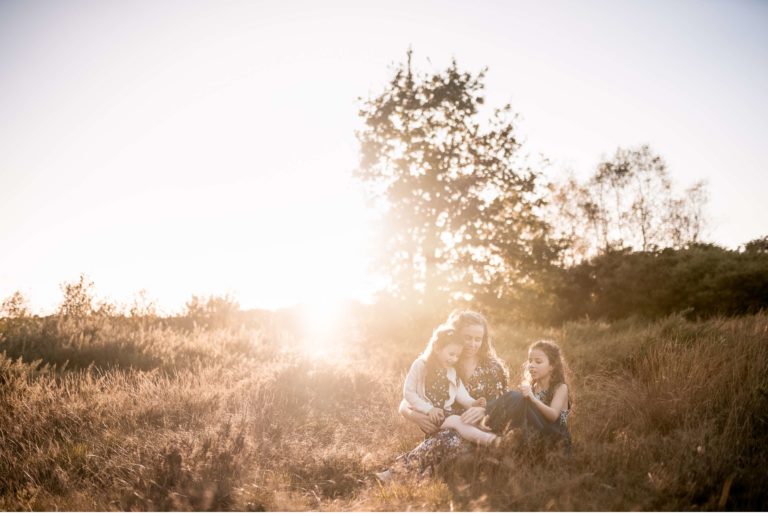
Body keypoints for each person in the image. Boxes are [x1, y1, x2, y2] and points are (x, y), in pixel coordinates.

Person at [394, 310, 509, 476]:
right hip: (445, 425)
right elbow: (408, 398)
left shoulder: (492, 368)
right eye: (467, 337)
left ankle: (404, 472)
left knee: (454, 442)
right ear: (455, 336)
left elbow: (502, 405)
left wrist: (483, 408)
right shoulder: (444, 359)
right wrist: (415, 416)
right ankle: (404, 472)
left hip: (480, 425)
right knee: (450, 438)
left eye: (478, 339)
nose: (472, 343)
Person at [402, 324, 498, 446]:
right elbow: (408, 393)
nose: (454, 359)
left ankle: (498, 436)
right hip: (430, 416)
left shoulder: (451, 371)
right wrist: (429, 409)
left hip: (445, 413)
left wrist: (473, 403)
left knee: (472, 421)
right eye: (451, 354)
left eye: (457, 356)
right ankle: (492, 441)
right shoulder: (420, 365)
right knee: (458, 421)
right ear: (437, 348)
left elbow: (461, 394)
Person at [465, 340, 572, 448]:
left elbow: (553, 416)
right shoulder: (533, 386)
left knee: (515, 396)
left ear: (552, 366)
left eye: (538, 362)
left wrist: (532, 399)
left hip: (556, 437)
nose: (531, 365)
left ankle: (486, 413)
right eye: (530, 361)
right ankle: (495, 433)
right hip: (537, 432)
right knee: (517, 401)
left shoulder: (560, 387)